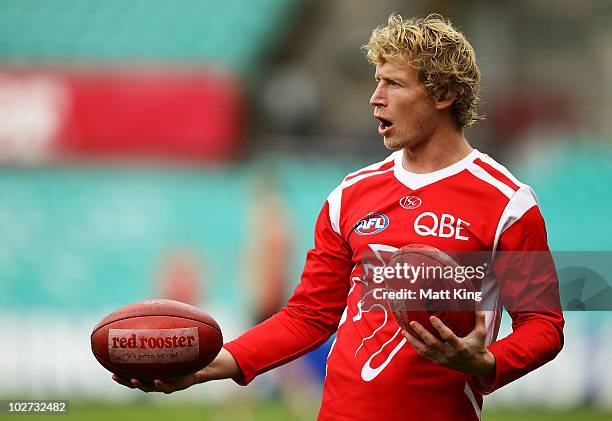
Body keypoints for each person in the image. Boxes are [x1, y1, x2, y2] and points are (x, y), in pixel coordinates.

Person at [113, 13, 564, 420]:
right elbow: (308, 315)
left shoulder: (507, 202)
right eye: (376, 81)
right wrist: (209, 366)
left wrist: (488, 363)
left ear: (444, 94)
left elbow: (544, 324)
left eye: (394, 83)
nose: (375, 98)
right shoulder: (351, 195)